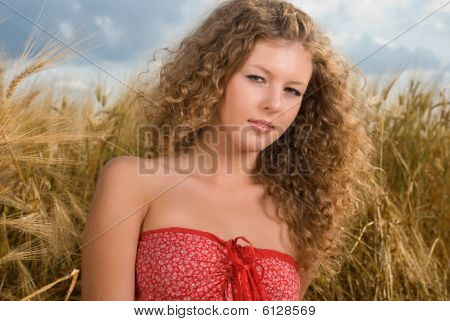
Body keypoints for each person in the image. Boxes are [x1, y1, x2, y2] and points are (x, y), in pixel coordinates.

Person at [81, 0, 375, 301]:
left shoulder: (302, 212)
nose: (273, 104)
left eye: (292, 90)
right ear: (214, 76)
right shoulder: (132, 181)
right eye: (257, 78)